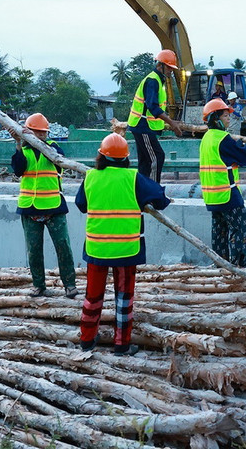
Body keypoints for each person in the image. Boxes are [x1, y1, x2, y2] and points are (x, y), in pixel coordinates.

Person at [74, 133, 171, 356]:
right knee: (124, 298)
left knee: (92, 296)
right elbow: (159, 198)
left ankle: (87, 340)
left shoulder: (90, 177)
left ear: (101, 156)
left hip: (97, 249)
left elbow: (81, 204)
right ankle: (121, 345)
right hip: (126, 250)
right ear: (126, 158)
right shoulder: (133, 178)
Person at [12, 112, 78, 298]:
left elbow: (58, 160)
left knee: (63, 246)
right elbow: (18, 170)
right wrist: (18, 143)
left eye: (43, 133)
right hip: (30, 206)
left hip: (53, 205)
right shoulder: (22, 152)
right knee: (34, 249)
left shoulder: (53, 148)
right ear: (28, 132)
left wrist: (39, 144)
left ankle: (70, 285)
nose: (41, 136)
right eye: (37, 132)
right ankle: (38, 285)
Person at [199, 99, 246, 266]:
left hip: (212, 197)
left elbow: (226, 157)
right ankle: (238, 269)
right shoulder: (222, 138)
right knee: (239, 230)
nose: (228, 118)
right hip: (228, 194)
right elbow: (244, 158)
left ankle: (221, 267)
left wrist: (237, 146)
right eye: (225, 115)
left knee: (219, 233)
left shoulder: (206, 139)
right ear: (215, 118)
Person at [126, 49, 183, 182]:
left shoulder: (158, 80)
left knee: (145, 161)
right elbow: (152, 107)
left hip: (143, 126)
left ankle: (143, 192)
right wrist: (172, 123)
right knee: (157, 157)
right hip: (143, 126)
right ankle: (152, 190)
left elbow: (157, 106)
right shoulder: (153, 80)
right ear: (160, 66)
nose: (171, 71)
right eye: (169, 67)